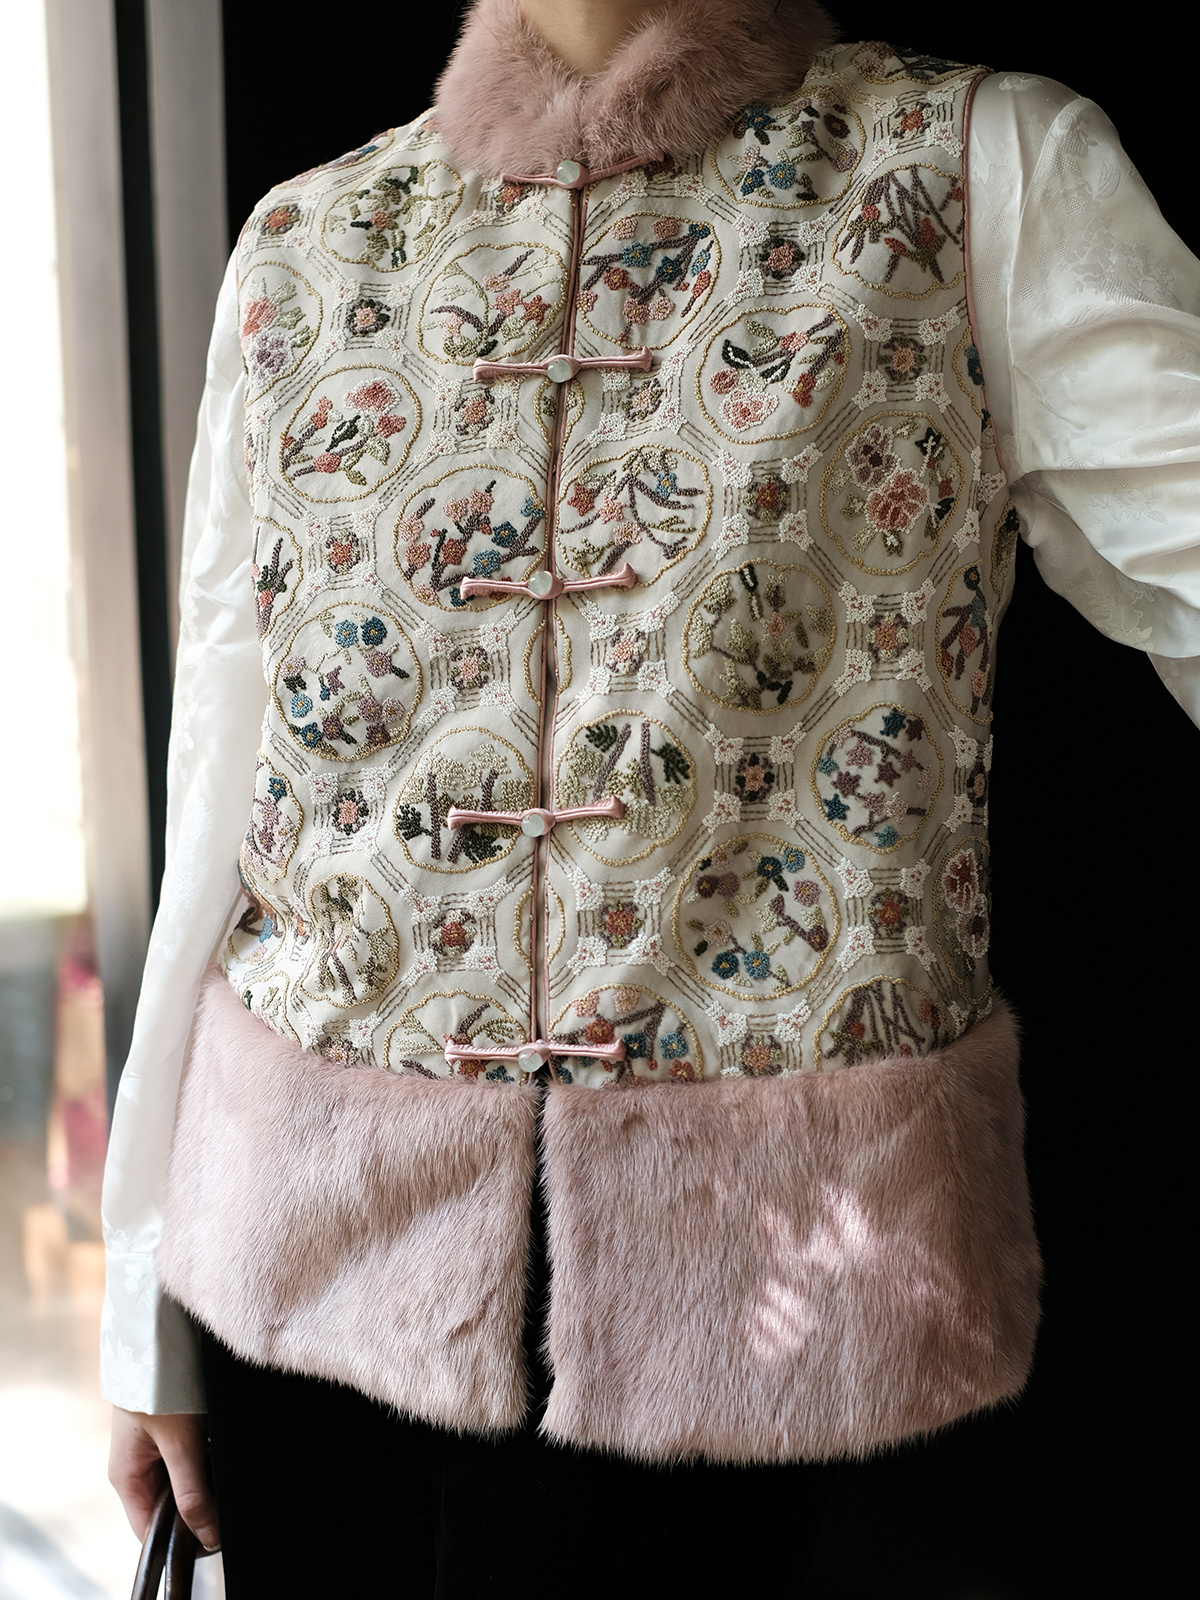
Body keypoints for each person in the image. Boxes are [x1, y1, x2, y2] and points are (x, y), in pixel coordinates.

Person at [104, 0, 1200, 1592]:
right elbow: (224, 783)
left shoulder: (966, 168)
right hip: (297, 1293)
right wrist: (144, 1291)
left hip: (772, 1339)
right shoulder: (306, 241)